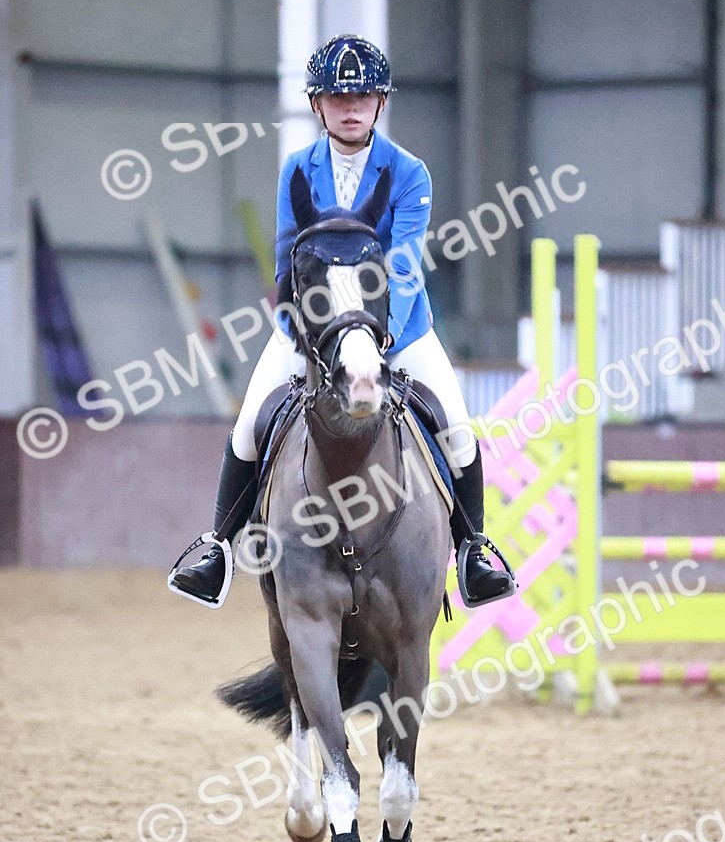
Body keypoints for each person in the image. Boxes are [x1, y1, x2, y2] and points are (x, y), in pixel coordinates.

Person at [171, 34, 514, 606]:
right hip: (312, 328)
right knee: (249, 428)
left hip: (396, 328)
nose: (350, 108)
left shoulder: (410, 173)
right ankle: (218, 549)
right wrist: (301, 330)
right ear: (317, 104)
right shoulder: (296, 171)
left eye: (362, 97)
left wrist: (376, 339)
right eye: (336, 97)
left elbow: (402, 267)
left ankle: (473, 551)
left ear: (380, 102)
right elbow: (287, 257)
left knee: (456, 428)